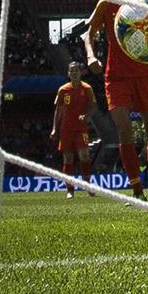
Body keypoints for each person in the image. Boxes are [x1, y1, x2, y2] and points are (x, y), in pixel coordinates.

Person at [85, 0, 148, 204]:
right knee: (124, 131)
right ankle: (136, 189)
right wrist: (90, 56)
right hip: (116, 77)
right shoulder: (107, 3)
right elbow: (89, 33)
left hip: (145, 75)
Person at [51, 62, 97, 199]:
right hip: (66, 129)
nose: (74, 73)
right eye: (72, 71)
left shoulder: (87, 88)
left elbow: (94, 107)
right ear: (68, 74)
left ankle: (87, 185)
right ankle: (70, 190)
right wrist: (55, 128)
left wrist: (87, 116)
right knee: (68, 158)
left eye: (76, 70)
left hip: (81, 128)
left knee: (84, 155)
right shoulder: (63, 90)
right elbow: (58, 110)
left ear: (80, 72)